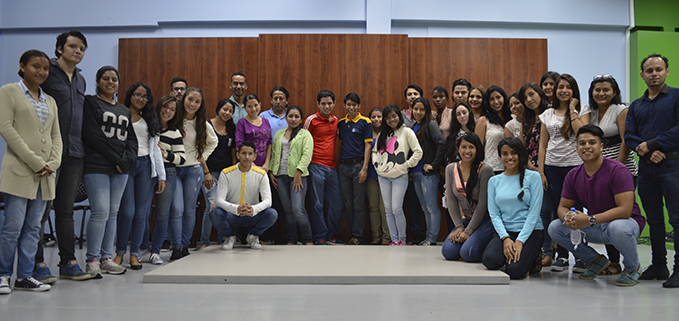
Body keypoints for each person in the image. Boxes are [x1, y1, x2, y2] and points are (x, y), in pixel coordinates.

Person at [549, 125, 645, 286]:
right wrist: (568, 217)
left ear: (601, 146)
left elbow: (625, 210)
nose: (587, 146)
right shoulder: (573, 175)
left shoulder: (618, 170)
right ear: (577, 147)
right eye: (582, 143)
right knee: (555, 227)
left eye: (592, 142)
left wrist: (590, 220)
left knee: (618, 228)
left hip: (625, 224)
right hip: (595, 225)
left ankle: (632, 267)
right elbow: (562, 206)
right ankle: (595, 261)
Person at [0, 50, 62, 294]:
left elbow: (56, 135)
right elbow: (6, 129)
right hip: (19, 171)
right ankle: (4, 274)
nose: (41, 72)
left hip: (45, 175)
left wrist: (53, 164)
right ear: (22, 66)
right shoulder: (8, 92)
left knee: (33, 228)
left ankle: (24, 276)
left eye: (45, 68)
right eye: (36, 66)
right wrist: (37, 162)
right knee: (12, 227)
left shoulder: (50, 101)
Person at [33, 30, 90, 283]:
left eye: (82, 48)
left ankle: (68, 262)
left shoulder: (81, 80)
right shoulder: (46, 73)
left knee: (65, 210)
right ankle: (37, 263)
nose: (78, 51)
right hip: (48, 153)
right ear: (60, 49)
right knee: (41, 211)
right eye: (73, 46)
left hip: (75, 152)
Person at [625, 54, 679, 288]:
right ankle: (659, 265)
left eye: (659, 69)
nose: (654, 74)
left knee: (677, 219)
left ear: (667, 71)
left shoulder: (677, 96)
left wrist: (653, 144)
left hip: (673, 166)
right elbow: (629, 136)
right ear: (642, 75)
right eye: (649, 70)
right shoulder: (636, 105)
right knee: (654, 220)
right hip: (647, 169)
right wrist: (647, 151)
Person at [81, 66, 137, 278]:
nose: (110, 82)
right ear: (98, 81)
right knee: (100, 212)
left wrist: (127, 161)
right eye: (106, 78)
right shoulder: (90, 103)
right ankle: (92, 260)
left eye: (114, 79)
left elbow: (131, 139)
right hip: (97, 166)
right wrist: (117, 158)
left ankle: (107, 258)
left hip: (120, 168)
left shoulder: (123, 110)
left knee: (112, 213)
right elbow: (91, 135)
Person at [538, 73, 591, 272]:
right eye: (561, 87)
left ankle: (580, 256)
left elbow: (582, 133)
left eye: (568, 87)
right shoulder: (547, 114)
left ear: (573, 90)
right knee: (557, 211)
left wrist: (572, 110)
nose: (563, 90)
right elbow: (543, 145)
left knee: (576, 211)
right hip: (552, 167)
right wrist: (541, 172)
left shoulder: (582, 110)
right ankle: (562, 255)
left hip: (575, 167)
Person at [587, 75, 638, 275]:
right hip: (598, 172)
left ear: (614, 92)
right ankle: (614, 263)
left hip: (621, 170)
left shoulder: (621, 110)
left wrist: (616, 168)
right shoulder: (590, 113)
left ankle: (631, 264)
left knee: (619, 217)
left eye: (606, 90)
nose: (601, 93)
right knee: (603, 216)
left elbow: (626, 141)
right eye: (597, 90)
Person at [114, 82, 165, 270]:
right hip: (127, 166)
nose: (140, 99)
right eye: (137, 94)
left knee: (141, 214)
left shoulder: (150, 119)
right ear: (130, 95)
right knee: (127, 212)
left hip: (146, 166)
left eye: (145, 96)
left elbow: (156, 150)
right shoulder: (120, 113)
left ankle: (134, 254)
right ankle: (120, 253)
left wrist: (162, 176)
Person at [483, 137, 544, 279]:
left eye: (513, 153)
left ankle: (533, 256)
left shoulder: (534, 177)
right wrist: (505, 238)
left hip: (531, 231)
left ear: (520, 154)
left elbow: (534, 214)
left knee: (515, 272)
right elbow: (494, 214)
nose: (509, 157)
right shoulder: (494, 181)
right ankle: (515, 255)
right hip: (506, 232)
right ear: (500, 156)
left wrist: (520, 241)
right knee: (490, 260)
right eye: (505, 153)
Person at [171, 87, 218, 259]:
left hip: (193, 170)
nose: (193, 104)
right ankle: (176, 246)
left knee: (189, 210)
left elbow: (214, 142)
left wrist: (202, 158)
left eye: (197, 101)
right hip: (174, 169)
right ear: (183, 99)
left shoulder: (202, 124)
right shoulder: (174, 119)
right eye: (190, 99)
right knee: (177, 208)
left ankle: (184, 246)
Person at [209, 141, 278, 250]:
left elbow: (268, 201)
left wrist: (253, 209)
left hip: (252, 215)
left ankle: (253, 236)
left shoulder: (261, 174)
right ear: (237, 155)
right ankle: (230, 237)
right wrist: (237, 208)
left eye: (250, 154)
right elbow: (219, 201)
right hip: (232, 214)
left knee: (272, 214)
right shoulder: (226, 173)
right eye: (243, 153)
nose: (247, 157)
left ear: (255, 156)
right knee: (215, 213)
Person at [373, 105, 423, 246]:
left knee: (396, 208)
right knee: (388, 210)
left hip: (400, 176)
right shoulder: (383, 133)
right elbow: (375, 152)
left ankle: (402, 239)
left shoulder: (407, 132)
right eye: (388, 118)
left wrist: (406, 165)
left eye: (394, 116)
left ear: (399, 116)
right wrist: (376, 165)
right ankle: (394, 240)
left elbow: (418, 152)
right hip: (383, 175)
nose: (391, 120)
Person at [441, 132, 494, 261]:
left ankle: (488, 243)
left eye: (471, 147)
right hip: (467, 219)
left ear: (477, 149)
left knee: (468, 253)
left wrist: (468, 231)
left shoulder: (485, 170)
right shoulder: (450, 168)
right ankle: (472, 241)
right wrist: (459, 227)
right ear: (458, 149)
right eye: (464, 147)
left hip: (486, 221)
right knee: (448, 252)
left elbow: (482, 205)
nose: (467, 151)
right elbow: (451, 200)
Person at [518, 82, 552, 267]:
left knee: (553, 211)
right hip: (531, 170)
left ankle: (558, 251)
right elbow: (523, 147)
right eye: (525, 97)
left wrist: (541, 171)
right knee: (541, 211)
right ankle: (546, 251)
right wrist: (532, 168)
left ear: (540, 94)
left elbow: (543, 146)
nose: (529, 99)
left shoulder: (550, 115)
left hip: (550, 168)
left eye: (532, 94)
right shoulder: (526, 120)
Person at [148, 95, 186, 265]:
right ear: (159, 106)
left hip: (168, 173)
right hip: (146, 172)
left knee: (162, 215)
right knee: (140, 213)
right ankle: (138, 249)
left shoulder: (174, 132)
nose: (168, 111)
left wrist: (164, 154)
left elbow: (181, 159)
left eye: (172, 109)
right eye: (166, 107)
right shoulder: (148, 126)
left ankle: (155, 251)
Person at [303, 90, 344, 245]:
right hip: (315, 166)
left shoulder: (336, 121)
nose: (327, 106)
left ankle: (330, 235)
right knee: (317, 203)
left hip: (332, 168)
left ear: (334, 104)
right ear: (318, 104)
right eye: (323, 103)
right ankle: (320, 236)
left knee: (337, 203)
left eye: (329, 103)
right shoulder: (311, 120)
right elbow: (302, 141)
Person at [269, 106, 314, 245]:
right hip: (280, 176)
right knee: (288, 211)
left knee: (298, 209)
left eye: (296, 117)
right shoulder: (279, 134)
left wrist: (299, 173)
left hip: (298, 177)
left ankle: (307, 239)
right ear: (286, 117)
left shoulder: (305, 134)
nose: (293, 119)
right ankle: (291, 240)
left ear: (301, 119)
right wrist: (271, 172)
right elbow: (274, 154)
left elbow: (307, 155)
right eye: (290, 116)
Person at [199, 99, 236, 249]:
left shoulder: (231, 128)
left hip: (226, 174)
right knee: (212, 205)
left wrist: (233, 171)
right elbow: (200, 150)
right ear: (218, 109)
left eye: (230, 111)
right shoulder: (207, 125)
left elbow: (233, 151)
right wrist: (206, 172)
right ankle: (204, 242)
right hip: (208, 172)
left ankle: (223, 239)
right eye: (224, 109)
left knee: (224, 207)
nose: (227, 113)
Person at [337, 93, 372, 245]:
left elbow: (368, 145)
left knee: (358, 204)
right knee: (348, 203)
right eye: (348, 104)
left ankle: (358, 237)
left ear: (359, 106)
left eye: (354, 105)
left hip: (359, 165)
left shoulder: (366, 122)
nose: (351, 107)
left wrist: (364, 168)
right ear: (344, 105)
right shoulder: (341, 123)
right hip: (343, 166)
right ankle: (352, 235)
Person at [410, 97, 445, 245]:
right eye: (415, 109)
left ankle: (431, 239)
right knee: (425, 208)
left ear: (427, 111)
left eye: (421, 109)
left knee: (431, 207)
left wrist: (434, 165)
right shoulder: (413, 127)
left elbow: (442, 144)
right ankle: (428, 238)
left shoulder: (431, 125)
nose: (418, 112)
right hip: (416, 173)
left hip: (428, 174)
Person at [402, 85, 424, 243]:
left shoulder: (428, 116)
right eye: (409, 94)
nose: (412, 96)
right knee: (413, 203)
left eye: (415, 93)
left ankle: (430, 235)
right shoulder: (401, 116)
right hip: (407, 165)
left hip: (425, 165)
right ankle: (416, 234)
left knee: (428, 204)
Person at [367, 107, 390, 245]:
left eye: (379, 117)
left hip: (386, 174)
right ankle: (376, 235)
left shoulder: (389, 133)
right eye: (373, 117)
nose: (376, 119)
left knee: (384, 207)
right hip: (370, 174)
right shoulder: (367, 132)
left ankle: (386, 237)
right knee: (373, 206)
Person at [475, 85, 511, 174]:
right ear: (488, 102)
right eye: (491, 99)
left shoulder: (512, 119)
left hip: (511, 167)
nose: (496, 101)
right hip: (490, 168)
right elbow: (477, 148)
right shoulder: (483, 120)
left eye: (498, 97)